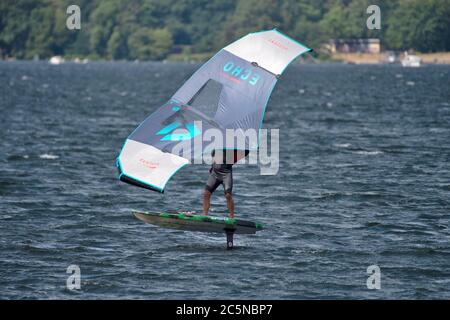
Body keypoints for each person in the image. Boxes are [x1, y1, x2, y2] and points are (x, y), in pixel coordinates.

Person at [203, 149, 236, 219]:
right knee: (206, 193)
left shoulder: (231, 148)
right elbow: (214, 157)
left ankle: (232, 216)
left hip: (226, 174)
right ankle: (205, 215)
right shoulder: (217, 147)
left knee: (228, 195)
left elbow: (245, 152)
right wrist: (212, 167)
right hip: (215, 174)